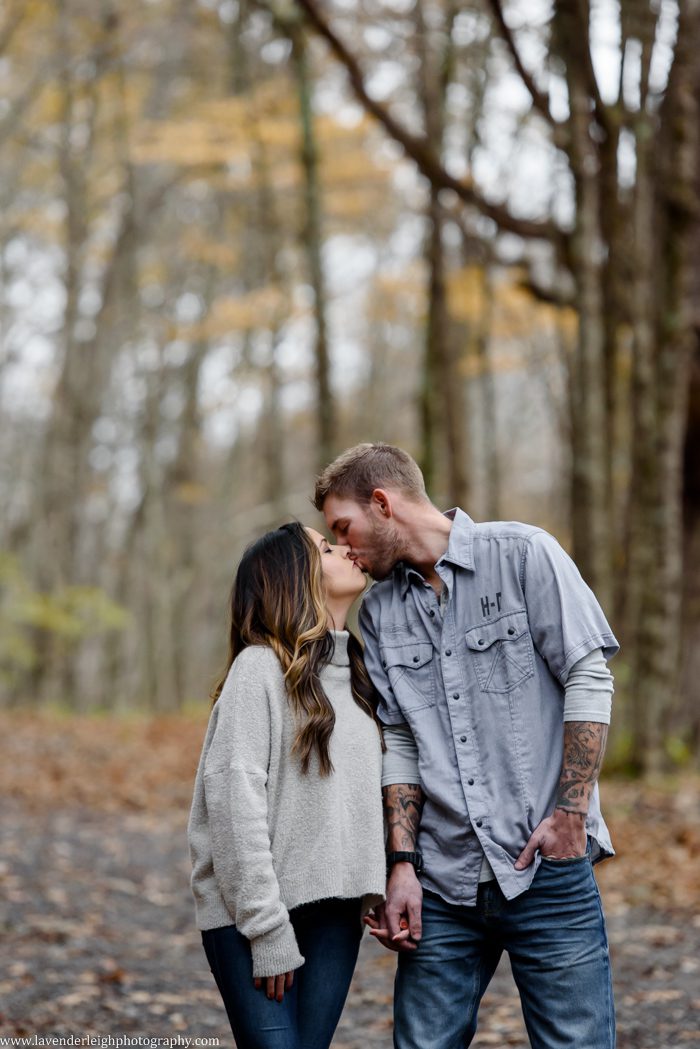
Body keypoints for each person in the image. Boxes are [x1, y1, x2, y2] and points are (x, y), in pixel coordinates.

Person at [314, 442, 619, 1049]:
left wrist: (570, 815)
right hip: (442, 882)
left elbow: (588, 676)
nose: (344, 547)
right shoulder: (377, 615)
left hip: (546, 867)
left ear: (383, 503)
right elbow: (398, 738)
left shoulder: (525, 554)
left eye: (344, 527)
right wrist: (401, 865)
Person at [187, 521, 386, 1049]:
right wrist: (267, 929)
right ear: (294, 578)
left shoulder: (362, 676)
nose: (345, 549)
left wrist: (378, 889)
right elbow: (234, 803)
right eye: (326, 546)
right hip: (253, 917)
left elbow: (358, 803)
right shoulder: (258, 670)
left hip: (337, 915)